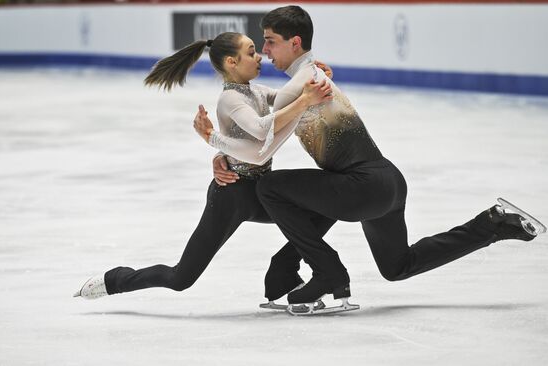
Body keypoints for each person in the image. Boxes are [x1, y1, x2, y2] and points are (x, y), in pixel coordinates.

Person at [209, 5, 544, 308]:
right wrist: (225, 150)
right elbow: (266, 111)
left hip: (362, 186)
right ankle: (491, 224)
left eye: (270, 41)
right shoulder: (312, 76)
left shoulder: (299, 88)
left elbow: (260, 148)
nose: (264, 51)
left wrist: (216, 143)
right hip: (387, 182)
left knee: (270, 187)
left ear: (294, 43)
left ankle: (328, 273)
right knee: (398, 266)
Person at [73, 32, 333, 300]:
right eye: (251, 51)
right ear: (232, 62)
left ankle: (283, 275)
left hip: (261, 191)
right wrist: (304, 100)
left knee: (325, 207)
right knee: (181, 278)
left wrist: (313, 76)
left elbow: (283, 98)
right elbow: (260, 130)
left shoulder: (255, 91)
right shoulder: (230, 99)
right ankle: (116, 279)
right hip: (230, 194)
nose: (259, 57)